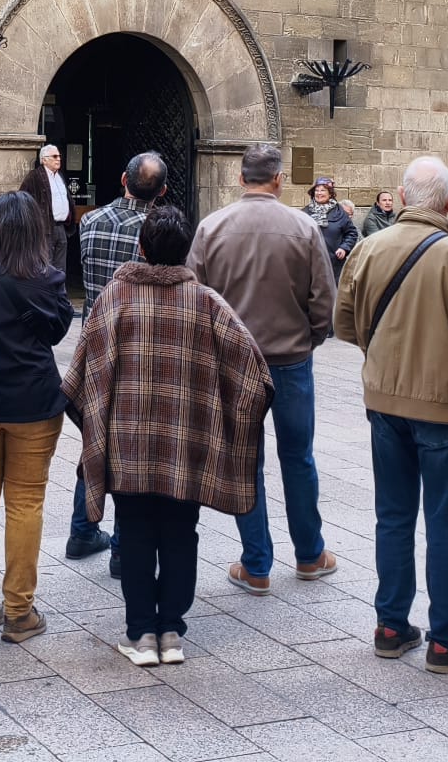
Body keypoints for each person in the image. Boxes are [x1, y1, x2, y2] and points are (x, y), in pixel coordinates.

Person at [64, 204, 272, 668]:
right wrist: (220, 419)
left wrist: (99, 419)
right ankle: (172, 632)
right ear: (187, 251)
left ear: (141, 247)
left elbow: (83, 372)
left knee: (135, 532)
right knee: (181, 532)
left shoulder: (114, 297)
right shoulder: (207, 302)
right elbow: (255, 376)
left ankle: (141, 634)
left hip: (127, 444)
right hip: (187, 445)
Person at [337, 155, 448, 674]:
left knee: (392, 516)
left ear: (401, 197)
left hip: (384, 402)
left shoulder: (368, 248)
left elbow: (343, 326)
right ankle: (446, 641)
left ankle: (391, 626)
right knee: (445, 521)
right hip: (445, 406)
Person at [190, 141, 336, 592]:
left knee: (245, 462)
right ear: (278, 179)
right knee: (298, 457)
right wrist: (308, 339)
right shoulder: (304, 227)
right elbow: (323, 301)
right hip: (291, 360)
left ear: (240, 178)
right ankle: (309, 555)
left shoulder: (211, 228)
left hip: (236, 363)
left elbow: (194, 298)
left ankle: (256, 565)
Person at [0, 190, 73, 643]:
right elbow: (58, 332)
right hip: (32, 404)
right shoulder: (49, 278)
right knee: (26, 503)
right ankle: (20, 612)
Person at [67, 150, 166, 563]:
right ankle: (123, 550)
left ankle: (82, 529)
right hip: (139, 345)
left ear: (123, 180)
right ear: (162, 191)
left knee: (95, 438)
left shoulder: (89, 221)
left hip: (95, 342)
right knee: (134, 443)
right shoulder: (157, 229)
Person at [18, 144, 72, 265]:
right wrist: (34, 222)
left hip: (61, 227)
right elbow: (22, 199)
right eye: (55, 156)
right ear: (44, 160)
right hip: (45, 228)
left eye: (59, 156)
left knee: (60, 266)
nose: (59, 159)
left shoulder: (60, 176)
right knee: (45, 264)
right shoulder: (34, 176)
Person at [306, 177, 360, 282]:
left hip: (334, 264)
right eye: (316, 190)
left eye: (322, 190)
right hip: (311, 263)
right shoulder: (305, 212)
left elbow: (351, 233)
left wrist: (344, 248)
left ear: (330, 193)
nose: (319, 193)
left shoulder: (340, 212)